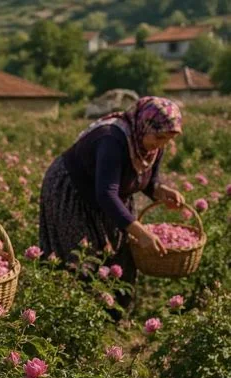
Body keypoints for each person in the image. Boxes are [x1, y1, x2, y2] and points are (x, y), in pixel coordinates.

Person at [39, 96, 185, 307]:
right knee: (81, 257)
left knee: (119, 254)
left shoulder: (151, 143)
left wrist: (161, 191)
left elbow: (149, 180)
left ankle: (114, 317)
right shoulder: (112, 140)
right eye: (159, 137)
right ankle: (74, 318)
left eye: (167, 140)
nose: (161, 145)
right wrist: (139, 231)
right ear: (144, 125)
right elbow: (106, 194)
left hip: (109, 194)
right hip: (74, 189)